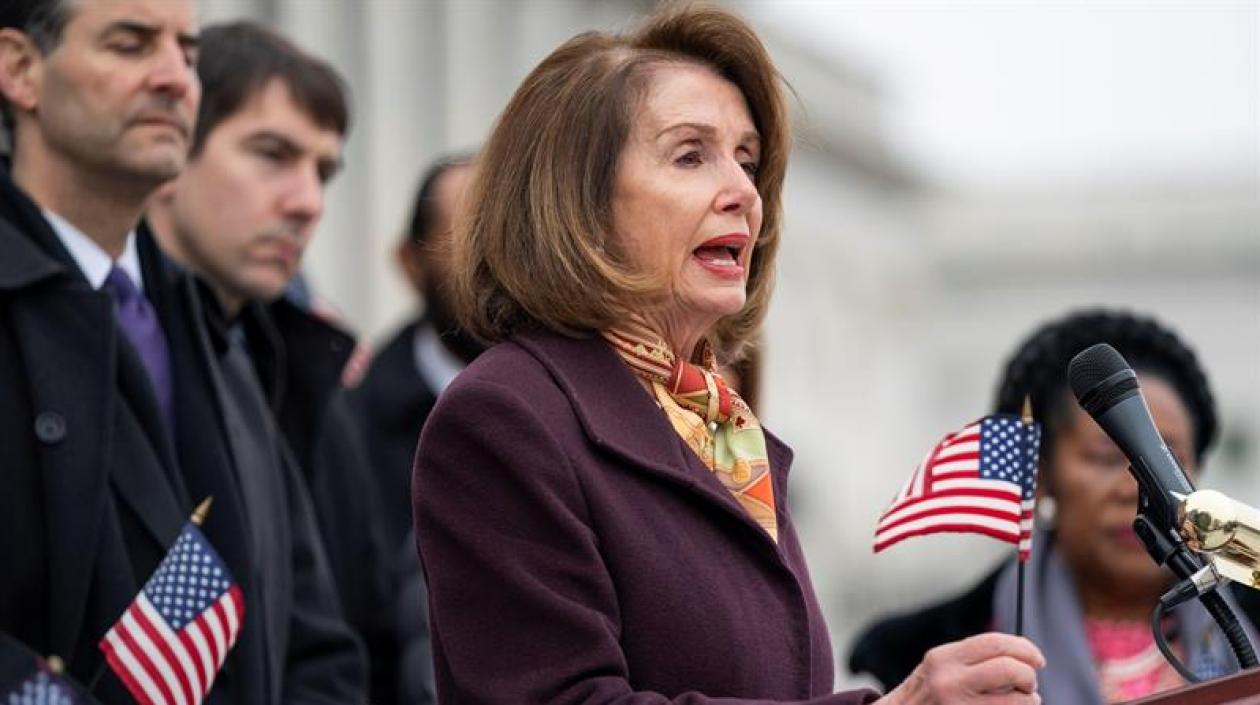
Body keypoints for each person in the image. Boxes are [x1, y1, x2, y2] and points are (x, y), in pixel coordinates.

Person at [412, 5, 1044, 704]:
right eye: (691, 155)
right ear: (579, 205)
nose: (745, 192)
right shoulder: (505, 416)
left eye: (747, 160)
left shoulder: (720, 424)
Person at [0, 2, 365, 702]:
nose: (174, 78)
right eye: (130, 44)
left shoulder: (218, 334)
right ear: (20, 69)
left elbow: (312, 638)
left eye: (189, 54)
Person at [144, 20, 395, 704]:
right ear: (170, 152)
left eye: (321, 170)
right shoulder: (119, 354)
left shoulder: (294, 364)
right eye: (270, 154)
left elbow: (342, 629)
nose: (307, 203)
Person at [849, 309, 1257, 704]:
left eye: (1168, 457)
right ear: (1041, 477)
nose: (1134, 488)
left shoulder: (1251, 607)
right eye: (1106, 458)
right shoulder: (927, 664)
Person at [355, 153, 482, 547]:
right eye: (468, 241)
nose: (497, 262)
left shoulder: (588, 403)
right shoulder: (353, 424)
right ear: (411, 263)